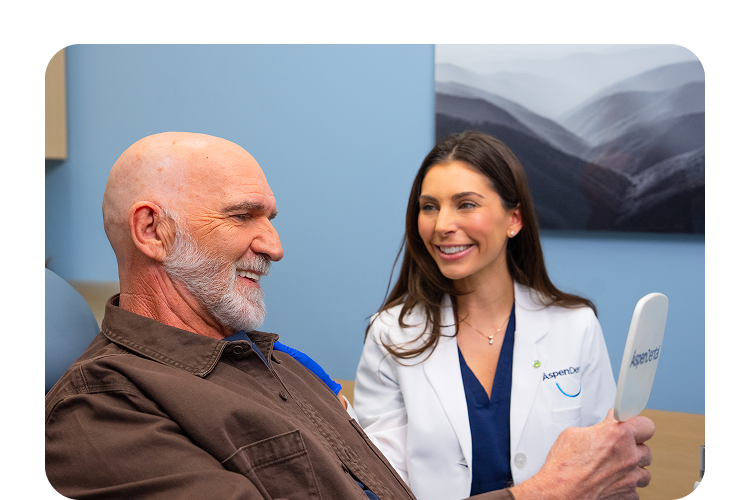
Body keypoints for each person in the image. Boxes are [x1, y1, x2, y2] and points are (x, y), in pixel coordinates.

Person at [45, 132, 653, 500]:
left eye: (271, 218)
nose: (275, 245)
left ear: (514, 219)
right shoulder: (103, 408)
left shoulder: (273, 363)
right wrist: (545, 493)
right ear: (151, 230)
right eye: (243, 216)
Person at [354, 131, 617, 499]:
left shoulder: (575, 325)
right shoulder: (391, 335)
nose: (442, 224)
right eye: (429, 207)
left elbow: (603, 469)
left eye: (465, 204)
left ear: (514, 219)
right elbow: (381, 486)